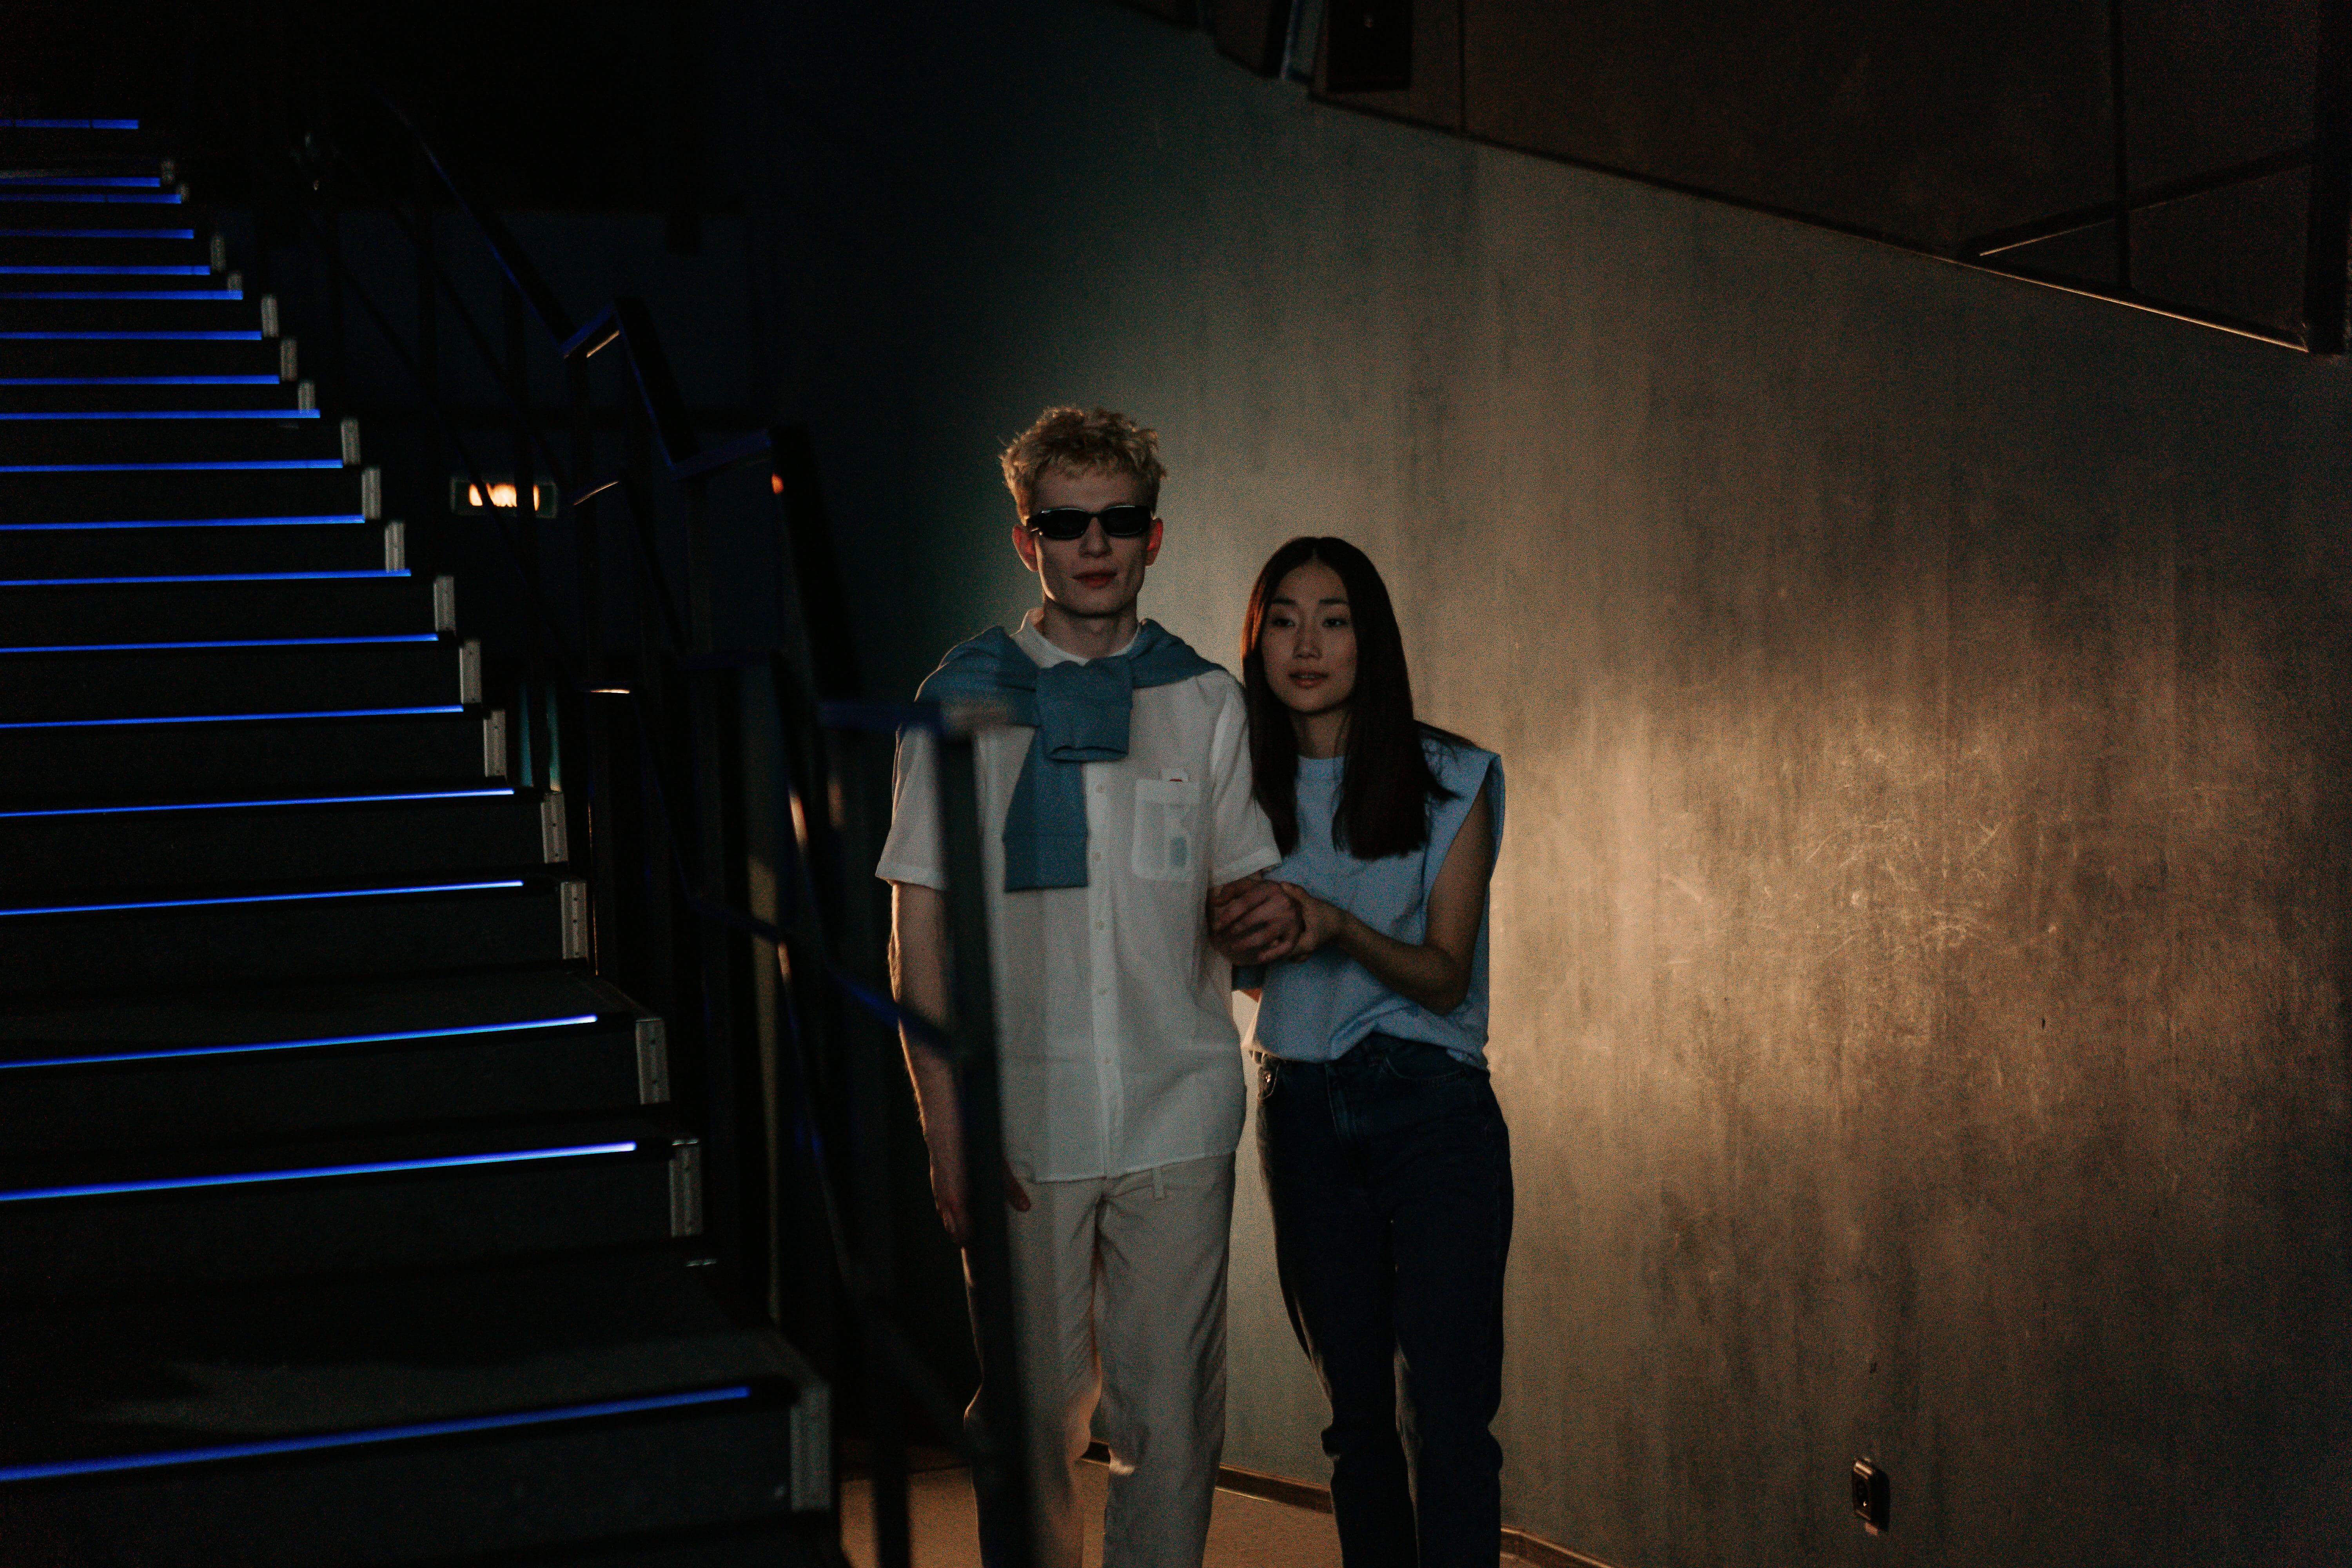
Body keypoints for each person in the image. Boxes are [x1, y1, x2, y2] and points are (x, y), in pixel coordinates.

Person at [877, 406, 1299, 1568]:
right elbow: (920, 925)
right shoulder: (958, 698)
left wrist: (1263, 913)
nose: (1095, 544)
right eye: (1067, 522)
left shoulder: (1204, 701)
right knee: (1030, 1418)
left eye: (1119, 521)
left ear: (1153, 537)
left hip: (1178, 1108)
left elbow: (1239, 887)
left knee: (1171, 1421)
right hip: (1024, 1118)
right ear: (1029, 540)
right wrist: (944, 1125)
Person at [1209, 535, 1512, 1568]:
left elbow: (1444, 976)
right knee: (1356, 1426)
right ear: (1258, 642)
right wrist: (1241, 937)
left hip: (1433, 1115)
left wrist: (1334, 926)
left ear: (1368, 639)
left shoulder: (1454, 777)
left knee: (1452, 1415)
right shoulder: (1235, 793)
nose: (1308, 644)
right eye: (1284, 619)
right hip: (1300, 1112)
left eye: (1334, 619)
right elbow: (1240, 973)